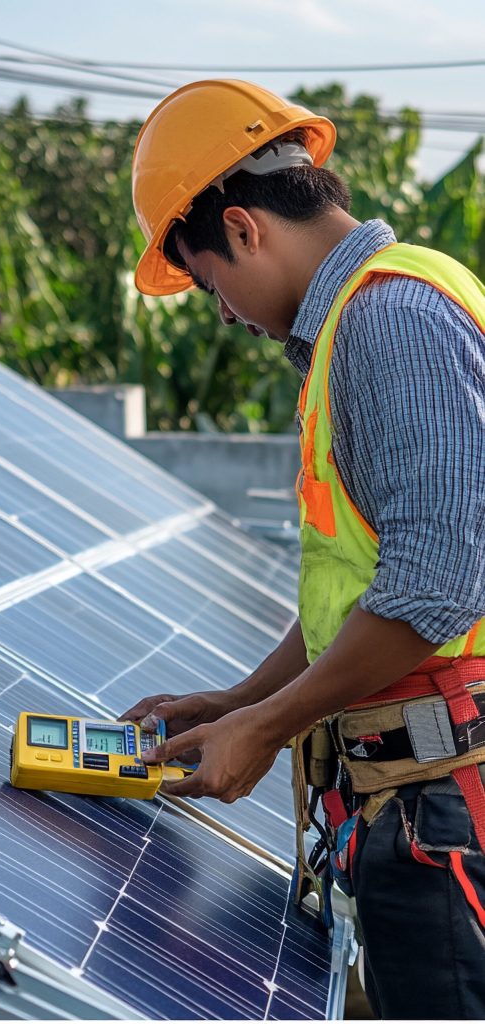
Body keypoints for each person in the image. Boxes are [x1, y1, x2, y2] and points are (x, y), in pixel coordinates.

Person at [122, 79, 485, 1018]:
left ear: (243, 230)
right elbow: (359, 584)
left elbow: (433, 586)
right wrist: (243, 698)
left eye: (211, 287)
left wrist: (270, 726)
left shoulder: (390, 321)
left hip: (444, 805)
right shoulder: (363, 323)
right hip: (415, 798)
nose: (228, 315)